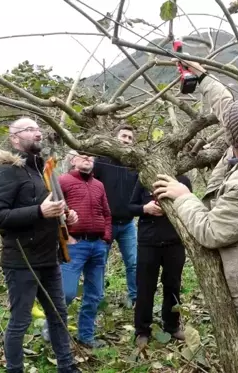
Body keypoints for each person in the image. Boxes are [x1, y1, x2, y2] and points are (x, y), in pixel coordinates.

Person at [152, 61, 238, 373]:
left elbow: (211, 231)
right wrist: (201, 76)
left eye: (228, 130)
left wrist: (183, 195)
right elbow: (228, 106)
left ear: (234, 139)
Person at [0, 118, 80, 373]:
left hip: (49, 258)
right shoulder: (7, 171)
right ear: (14, 138)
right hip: (21, 261)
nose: (37, 133)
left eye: (38, 129)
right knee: (21, 320)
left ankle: (66, 366)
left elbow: (52, 208)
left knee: (58, 316)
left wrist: (66, 215)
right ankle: (14, 369)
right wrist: (39, 211)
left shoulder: (44, 170)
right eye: (29, 129)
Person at [42, 151, 112, 348]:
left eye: (91, 156)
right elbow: (54, 213)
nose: (87, 159)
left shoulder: (99, 185)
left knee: (95, 294)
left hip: (98, 246)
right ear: (72, 160)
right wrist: (67, 237)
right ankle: (51, 328)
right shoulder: (62, 182)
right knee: (67, 292)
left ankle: (86, 336)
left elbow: (107, 213)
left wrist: (105, 238)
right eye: (82, 156)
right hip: (74, 245)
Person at [129, 174, 191, 348]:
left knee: (173, 285)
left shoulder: (183, 181)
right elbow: (130, 207)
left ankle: (172, 326)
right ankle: (142, 330)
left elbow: (189, 208)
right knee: (145, 287)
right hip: (148, 243)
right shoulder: (143, 178)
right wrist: (145, 209)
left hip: (174, 243)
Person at [93, 125, 139, 308]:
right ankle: (98, 298)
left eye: (130, 138)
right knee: (99, 262)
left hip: (128, 223)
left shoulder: (134, 165)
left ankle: (135, 297)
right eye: (123, 136)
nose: (126, 140)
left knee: (133, 262)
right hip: (106, 223)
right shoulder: (101, 161)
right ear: (115, 138)